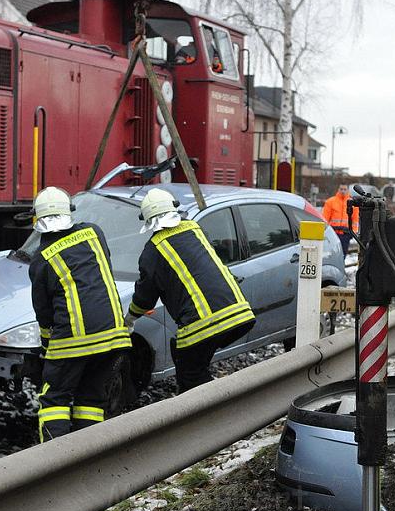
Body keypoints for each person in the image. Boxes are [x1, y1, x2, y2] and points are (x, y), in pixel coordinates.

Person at [126, 188, 255, 393]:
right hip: (239, 313)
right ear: (173, 209)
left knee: (190, 377)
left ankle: (212, 417)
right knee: (198, 367)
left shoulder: (152, 251)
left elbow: (145, 299)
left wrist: (129, 320)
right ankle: (222, 405)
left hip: (202, 325)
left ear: (148, 220)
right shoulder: (194, 228)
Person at [29, 187, 131, 442]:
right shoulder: (94, 233)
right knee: (91, 399)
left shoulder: (41, 260)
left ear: (37, 220)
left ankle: (55, 465)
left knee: (54, 400)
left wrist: (45, 346)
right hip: (114, 337)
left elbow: (44, 313)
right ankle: (90, 458)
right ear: (69, 212)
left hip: (71, 343)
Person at [322, 184, 359, 255]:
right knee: (332, 254)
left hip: (346, 234)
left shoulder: (352, 203)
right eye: (341, 189)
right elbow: (325, 219)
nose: (343, 191)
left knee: (343, 254)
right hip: (333, 233)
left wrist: (352, 233)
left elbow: (355, 220)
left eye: (345, 189)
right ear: (338, 189)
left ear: (348, 190)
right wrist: (326, 231)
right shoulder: (330, 202)